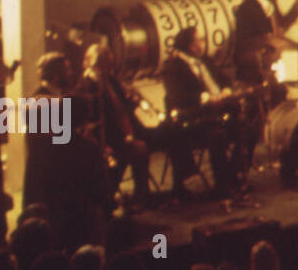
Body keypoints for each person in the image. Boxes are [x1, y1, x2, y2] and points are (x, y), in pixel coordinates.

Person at [160, 25, 242, 198]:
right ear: (192, 45)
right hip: (193, 119)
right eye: (201, 39)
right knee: (217, 135)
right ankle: (223, 185)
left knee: (245, 129)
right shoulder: (173, 67)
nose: (205, 43)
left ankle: (235, 175)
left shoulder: (205, 60)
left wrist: (226, 90)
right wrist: (206, 98)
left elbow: (224, 78)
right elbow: (178, 98)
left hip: (216, 112)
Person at [75, 44, 150, 209]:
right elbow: (91, 119)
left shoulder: (111, 80)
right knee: (134, 151)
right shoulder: (86, 85)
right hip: (106, 139)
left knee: (145, 145)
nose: (111, 68)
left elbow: (124, 103)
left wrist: (134, 100)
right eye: (107, 64)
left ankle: (141, 195)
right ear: (96, 64)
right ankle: (114, 196)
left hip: (122, 133)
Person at [235, 0, 298, 85]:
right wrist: (269, 38)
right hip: (255, 67)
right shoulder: (246, 9)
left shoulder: (271, 4)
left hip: (273, 61)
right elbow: (245, 43)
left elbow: (282, 24)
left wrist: (297, 3)